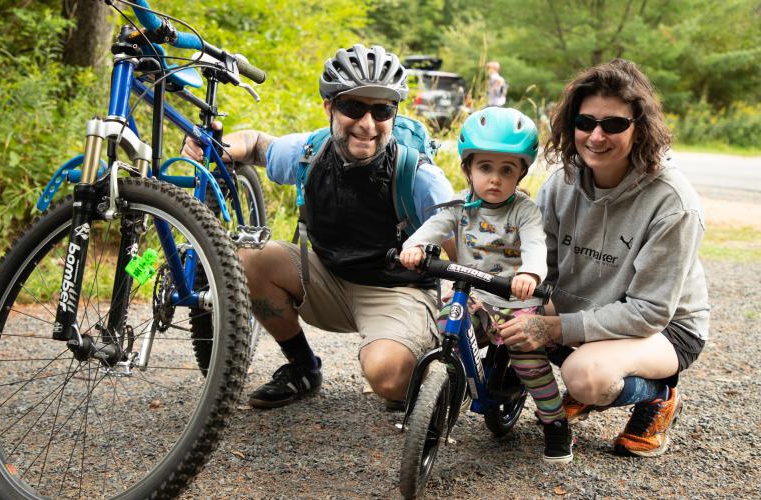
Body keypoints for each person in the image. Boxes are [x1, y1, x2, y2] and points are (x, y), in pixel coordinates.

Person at [182, 44, 455, 410]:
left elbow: (461, 245)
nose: (367, 123)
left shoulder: (418, 174)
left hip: (397, 290)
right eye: (352, 107)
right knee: (246, 257)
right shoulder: (310, 153)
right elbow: (256, 144)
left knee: (389, 379)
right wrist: (212, 147)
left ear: (395, 113)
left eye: (382, 109)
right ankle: (303, 368)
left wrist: (469, 312)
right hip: (326, 278)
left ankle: (423, 364)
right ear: (330, 107)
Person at [499, 58, 710, 457]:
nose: (596, 136)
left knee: (585, 377)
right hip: (590, 310)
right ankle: (598, 364)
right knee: (503, 316)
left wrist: (553, 330)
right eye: (585, 122)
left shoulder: (673, 203)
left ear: (640, 128)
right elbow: (541, 268)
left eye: (613, 124)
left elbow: (649, 311)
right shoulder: (561, 183)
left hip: (665, 328)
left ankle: (659, 396)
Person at [398, 107, 573, 464]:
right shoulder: (460, 208)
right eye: (485, 168)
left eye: (506, 170)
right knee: (447, 330)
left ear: (520, 173)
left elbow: (536, 245)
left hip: (515, 298)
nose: (494, 179)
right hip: (473, 295)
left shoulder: (524, 211)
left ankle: (555, 423)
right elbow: (434, 227)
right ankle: (442, 393)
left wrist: (531, 275)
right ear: (468, 168)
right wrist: (413, 247)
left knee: (529, 361)